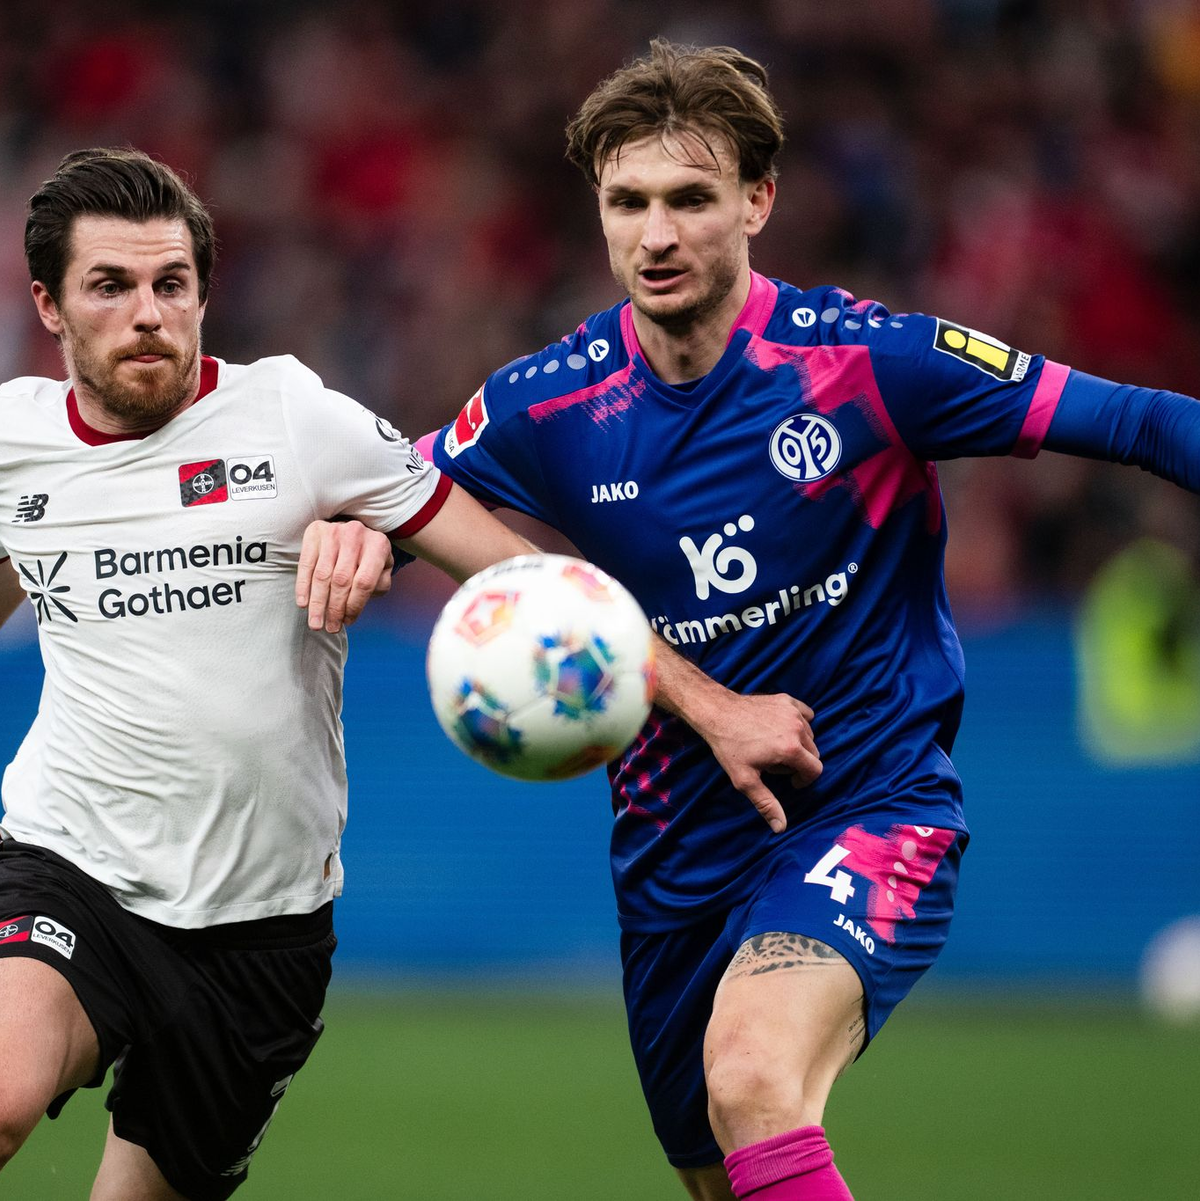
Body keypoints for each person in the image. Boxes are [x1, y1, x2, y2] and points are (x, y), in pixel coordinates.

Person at [416, 39, 1200, 1201]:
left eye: (691, 199)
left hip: (866, 805)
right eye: (628, 202)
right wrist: (352, 529)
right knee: (726, 1162)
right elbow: (396, 490)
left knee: (750, 1076)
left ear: (758, 201)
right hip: (673, 859)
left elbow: (1140, 421)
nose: (657, 234)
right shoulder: (552, 402)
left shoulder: (867, 364)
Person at [0, 147, 534, 1200]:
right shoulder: (14, 442)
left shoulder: (297, 421)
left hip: (263, 928)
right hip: (72, 863)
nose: (147, 313)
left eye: (172, 284)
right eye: (109, 285)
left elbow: (521, 576)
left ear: (204, 293)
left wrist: (711, 706)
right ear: (49, 306)